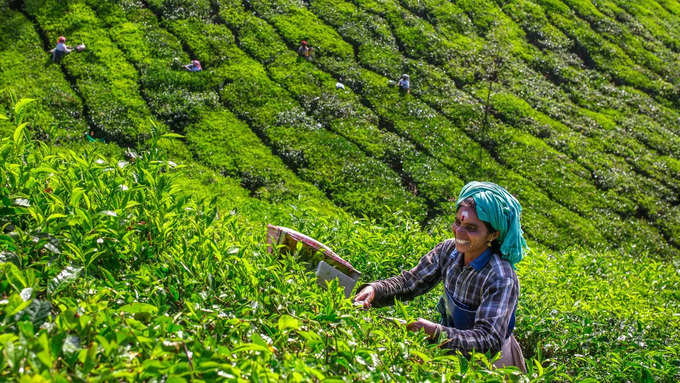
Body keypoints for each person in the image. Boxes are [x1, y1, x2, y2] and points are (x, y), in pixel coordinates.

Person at [354, 181, 528, 372]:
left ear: (493, 235)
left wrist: (437, 332)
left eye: (471, 228)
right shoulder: (448, 251)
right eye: (458, 222)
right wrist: (374, 290)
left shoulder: (501, 277)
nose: (459, 232)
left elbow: (488, 339)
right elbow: (410, 282)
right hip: (450, 347)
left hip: (491, 364)